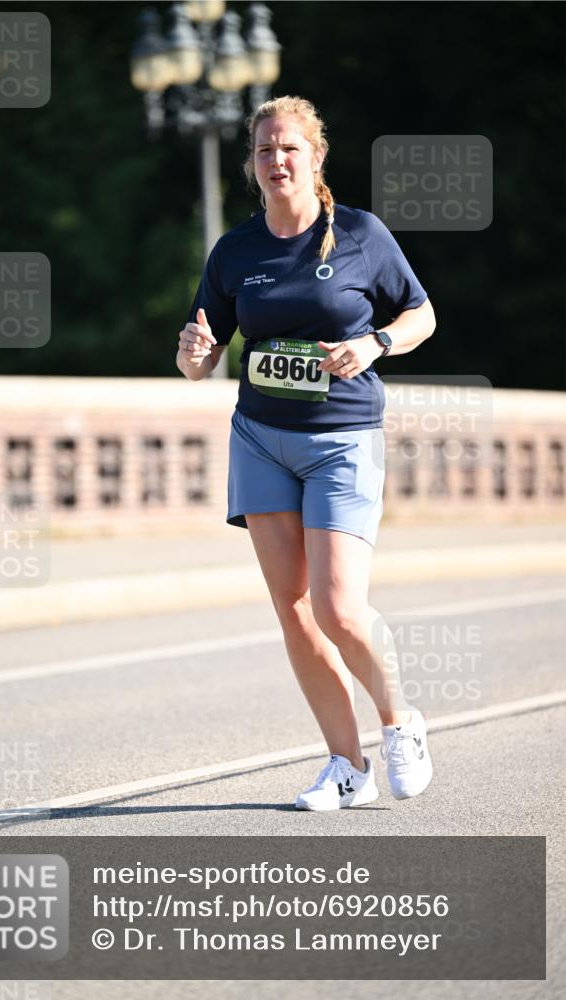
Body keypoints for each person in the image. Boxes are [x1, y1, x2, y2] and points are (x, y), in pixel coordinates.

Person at [176, 96, 436, 811]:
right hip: (259, 438)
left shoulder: (357, 233)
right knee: (292, 612)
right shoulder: (235, 251)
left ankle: (398, 722)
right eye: (264, 150)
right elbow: (201, 355)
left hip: (340, 439)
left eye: (289, 148)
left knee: (337, 607)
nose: (276, 160)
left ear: (314, 157)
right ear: (251, 165)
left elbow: (420, 313)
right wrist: (193, 354)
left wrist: (375, 342)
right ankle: (345, 765)